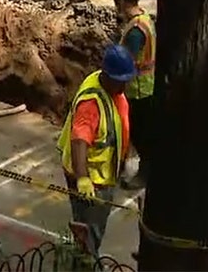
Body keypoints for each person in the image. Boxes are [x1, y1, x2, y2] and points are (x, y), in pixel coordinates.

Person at [57, 44, 134, 259]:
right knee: (90, 230)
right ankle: (85, 263)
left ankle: (86, 259)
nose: (125, 84)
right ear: (109, 76)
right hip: (92, 181)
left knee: (91, 229)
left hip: (104, 174)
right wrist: (83, 178)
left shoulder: (109, 89)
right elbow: (79, 140)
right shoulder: (91, 104)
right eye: (122, 80)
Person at [108, 0, 155, 189]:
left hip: (138, 89)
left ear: (122, 1)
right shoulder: (144, 20)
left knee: (139, 133)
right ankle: (122, 166)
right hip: (145, 86)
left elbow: (125, 60)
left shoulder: (136, 31)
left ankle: (145, 173)